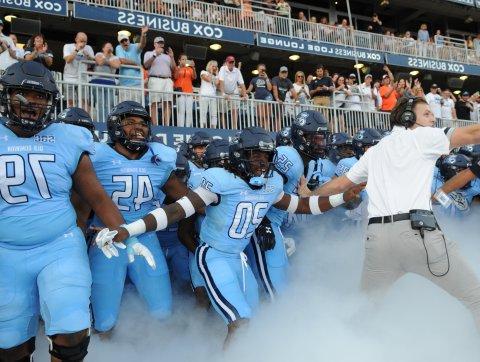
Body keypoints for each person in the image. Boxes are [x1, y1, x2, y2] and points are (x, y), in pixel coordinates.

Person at [95, 126, 364, 345]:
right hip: (213, 257)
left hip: (239, 260)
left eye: (267, 157)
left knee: (255, 320)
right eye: (255, 155)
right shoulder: (220, 181)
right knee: (240, 323)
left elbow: (303, 205)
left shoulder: (270, 185)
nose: (263, 162)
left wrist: (341, 198)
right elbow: (176, 211)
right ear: (239, 155)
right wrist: (128, 230)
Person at [0, 61, 150, 362]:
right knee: (10, 344)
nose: (32, 103)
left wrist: (128, 235)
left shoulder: (67, 136)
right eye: (23, 95)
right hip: (5, 251)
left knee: (72, 331)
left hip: (59, 245)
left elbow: (97, 196)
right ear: (6, 95)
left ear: (51, 102)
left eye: (41, 97)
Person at [304, 96, 480, 331]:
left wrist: (307, 196)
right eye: (426, 113)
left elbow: (338, 186)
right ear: (409, 118)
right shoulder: (423, 136)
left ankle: (337, 349)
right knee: (475, 299)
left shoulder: (375, 151)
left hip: (377, 239)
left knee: (364, 313)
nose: (433, 118)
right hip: (418, 234)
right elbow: (473, 134)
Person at [83, 101, 192, 333]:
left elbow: (186, 199)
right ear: (114, 126)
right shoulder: (96, 155)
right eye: (130, 122)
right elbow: (77, 201)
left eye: (142, 123)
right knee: (104, 320)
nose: (138, 127)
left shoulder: (159, 159)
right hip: (107, 240)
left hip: (145, 238)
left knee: (162, 312)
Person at [143, 36, 175, 126]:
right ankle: (155, 126)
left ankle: (167, 125)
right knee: (155, 103)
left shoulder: (167, 56)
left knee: (168, 103)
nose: (161, 44)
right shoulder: (149, 53)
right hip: (154, 78)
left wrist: (172, 57)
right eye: (159, 43)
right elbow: (146, 65)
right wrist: (155, 55)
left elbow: (173, 68)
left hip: (167, 79)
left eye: (162, 43)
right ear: (154, 44)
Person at [115, 26, 148, 104]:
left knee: (135, 109)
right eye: (122, 41)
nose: (124, 42)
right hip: (124, 85)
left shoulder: (135, 46)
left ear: (129, 40)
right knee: (124, 109)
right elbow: (122, 60)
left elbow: (142, 44)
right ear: (120, 43)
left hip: (137, 85)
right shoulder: (118, 48)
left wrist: (143, 34)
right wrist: (136, 64)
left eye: (125, 40)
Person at [63, 32, 95, 109]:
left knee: (84, 101)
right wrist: (77, 49)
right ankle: (70, 118)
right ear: (76, 39)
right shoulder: (67, 46)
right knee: (70, 101)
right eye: (81, 41)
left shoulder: (88, 48)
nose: (83, 43)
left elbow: (93, 63)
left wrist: (87, 55)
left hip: (83, 78)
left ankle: (84, 118)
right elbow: (68, 60)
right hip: (69, 78)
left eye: (85, 41)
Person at [90, 42, 120, 122]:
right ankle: (101, 121)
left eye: (111, 47)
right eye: (107, 47)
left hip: (110, 83)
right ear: (103, 48)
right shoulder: (99, 54)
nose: (109, 48)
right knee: (100, 103)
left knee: (110, 103)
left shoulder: (115, 57)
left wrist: (106, 60)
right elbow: (100, 62)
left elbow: (117, 65)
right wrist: (108, 58)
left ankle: (108, 121)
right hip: (97, 82)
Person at [218, 56, 247, 129]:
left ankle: (234, 128)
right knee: (223, 112)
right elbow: (221, 81)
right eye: (230, 62)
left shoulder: (237, 70)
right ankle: (224, 128)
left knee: (235, 111)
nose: (232, 63)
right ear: (227, 63)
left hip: (233, 93)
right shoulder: (222, 68)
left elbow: (242, 83)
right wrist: (223, 94)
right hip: (224, 92)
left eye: (233, 62)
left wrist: (245, 94)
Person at [246, 63, 273, 129]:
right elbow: (249, 90)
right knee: (260, 116)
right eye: (261, 69)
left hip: (267, 98)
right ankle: (262, 129)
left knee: (267, 116)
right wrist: (241, 92)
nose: (262, 71)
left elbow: (270, 88)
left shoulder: (267, 79)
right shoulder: (254, 79)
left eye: (263, 70)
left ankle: (267, 130)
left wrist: (266, 78)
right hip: (258, 99)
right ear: (258, 70)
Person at [174, 54, 197, 127]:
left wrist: (193, 68)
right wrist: (179, 68)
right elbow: (175, 76)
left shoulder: (189, 69)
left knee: (189, 111)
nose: (184, 61)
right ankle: (180, 127)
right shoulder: (176, 68)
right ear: (179, 60)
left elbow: (194, 77)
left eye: (186, 59)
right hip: (180, 92)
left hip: (189, 92)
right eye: (183, 59)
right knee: (181, 110)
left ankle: (188, 127)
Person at [272, 66, 297, 131]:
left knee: (279, 117)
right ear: (279, 73)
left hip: (281, 102)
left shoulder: (288, 81)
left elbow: (293, 92)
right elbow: (274, 89)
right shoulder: (275, 79)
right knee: (275, 117)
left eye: (285, 73)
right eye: (282, 72)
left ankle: (277, 132)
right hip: (273, 101)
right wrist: (277, 99)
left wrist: (296, 100)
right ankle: (276, 132)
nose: (284, 74)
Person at [199, 60, 220, 128]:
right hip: (204, 95)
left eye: (216, 67)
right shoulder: (203, 72)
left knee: (214, 114)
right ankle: (203, 127)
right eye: (213, 66)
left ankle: (213, 128)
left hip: (213, 96)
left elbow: (217, 84)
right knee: (203, 112)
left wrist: (217, 74)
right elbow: (208, 79)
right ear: (209, 66)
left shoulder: (214, 76)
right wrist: (211, 71)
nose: (214, 68)